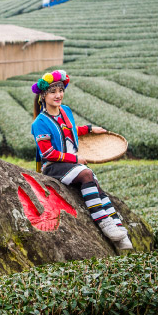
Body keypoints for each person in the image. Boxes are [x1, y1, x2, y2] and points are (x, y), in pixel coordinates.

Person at [31, 70, 132, 250]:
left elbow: (68, 130)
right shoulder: (39, 122)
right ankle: (104, 224)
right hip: (54, 166)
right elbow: (48, 154)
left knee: (97, 186)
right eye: (53, 91)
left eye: (60, 90)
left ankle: (119, 229)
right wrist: (75, 158)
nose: (58, 95)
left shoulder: (65, 111)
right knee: (86, 174)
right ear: (43, 95)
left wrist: (90, 129)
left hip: (70, 164)